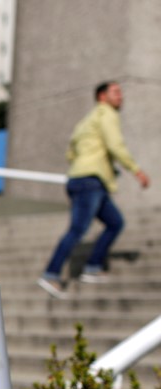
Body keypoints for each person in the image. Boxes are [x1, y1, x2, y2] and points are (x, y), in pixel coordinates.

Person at [37, 81, 150, 299]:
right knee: (78, 230)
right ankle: (51, 273)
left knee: (115, 222)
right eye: (116, 92)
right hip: (91, 182)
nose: (121, 96)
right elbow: (115, 145)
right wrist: (137, 171)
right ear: (102, 96)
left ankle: (93, 266)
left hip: (81, 180)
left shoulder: (85, 122)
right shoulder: (107, 114)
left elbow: (71, 154)